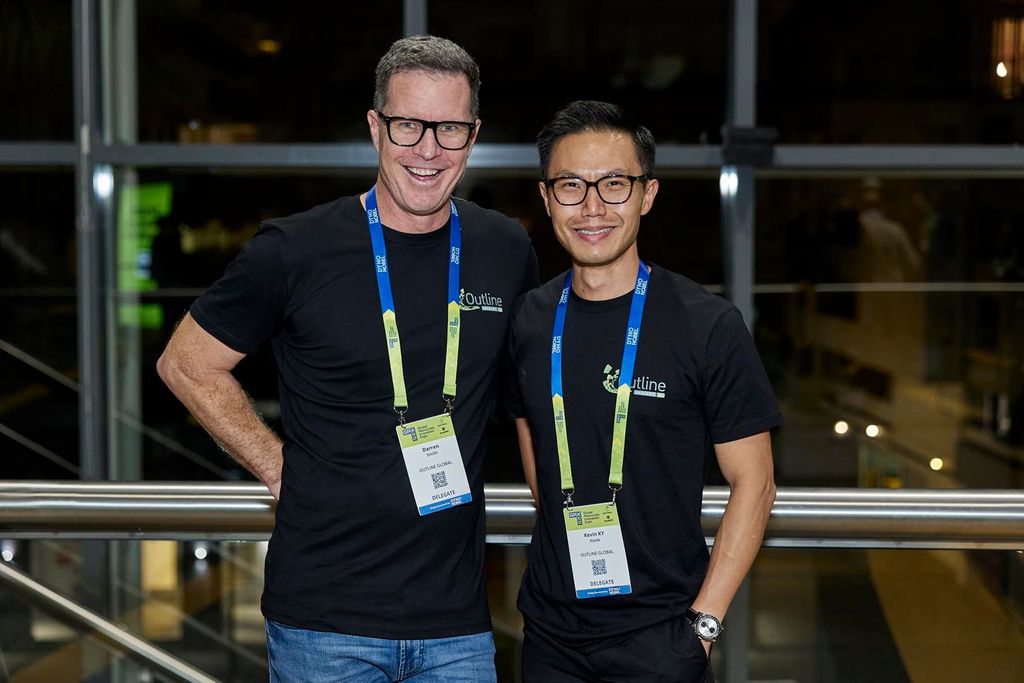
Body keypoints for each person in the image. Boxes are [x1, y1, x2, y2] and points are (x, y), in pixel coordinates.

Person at [157, 35, 538, 682]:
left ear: (473, 136)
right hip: (322, 625)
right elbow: (186, 362)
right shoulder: (295, 249)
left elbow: (529, 394)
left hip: (456, 626)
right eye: (408, 124)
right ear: (374, 127)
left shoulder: (504, 249)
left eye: (449, 128)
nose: (428, 149)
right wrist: (277, 465)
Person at [507, 101, 780, 682]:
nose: (592, 207)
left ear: (647, 194)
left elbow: (755, 482)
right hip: (550, 637)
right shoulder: (530, 318)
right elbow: (529, 426)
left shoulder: (707, 325)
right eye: (571, 186)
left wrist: (703, 627)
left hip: (663, 638)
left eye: (614, 184)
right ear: (547, 197)